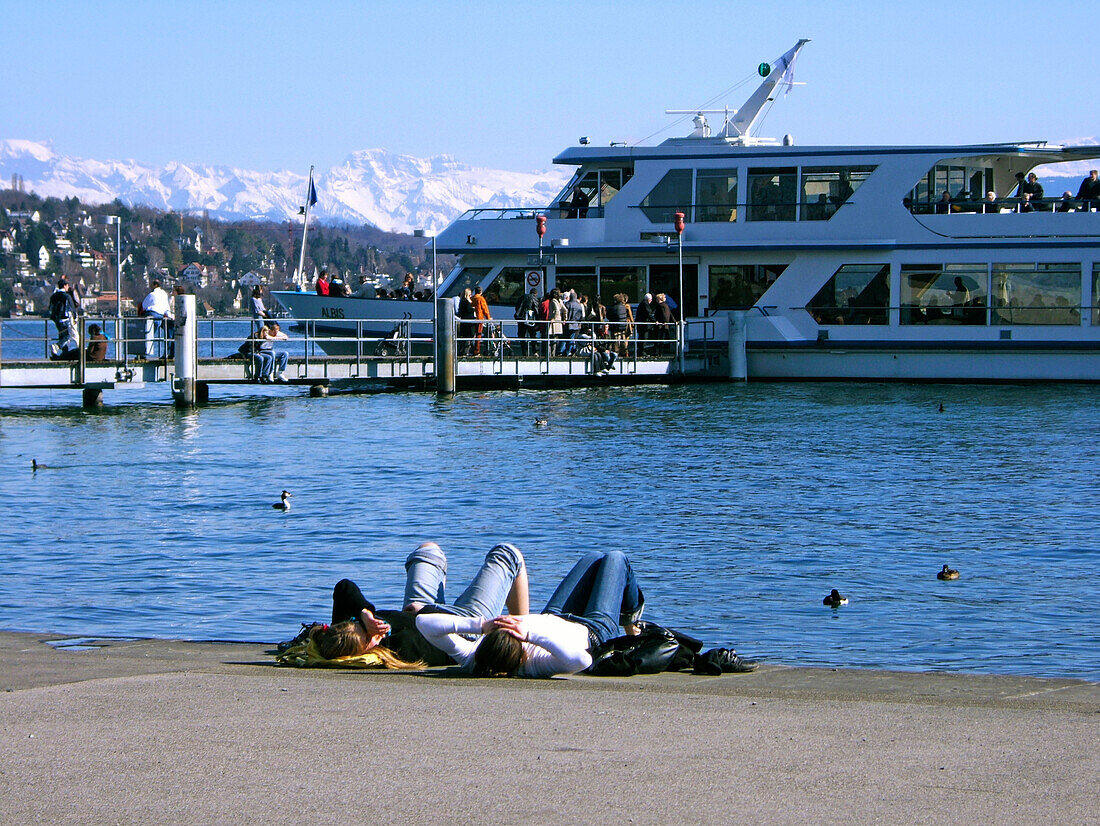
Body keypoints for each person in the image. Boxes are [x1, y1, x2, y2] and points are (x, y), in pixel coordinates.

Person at [286, 541, 529, 668]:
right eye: (371, 639)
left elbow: (344, 587)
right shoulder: (401, 652)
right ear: (363, 652)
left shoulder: (347, 632)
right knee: (507, 554)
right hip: (465, 625)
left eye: (358, 625)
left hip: (423, 608)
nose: (376, 634)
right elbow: (432, 628)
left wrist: (365, 615)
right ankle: (523, 641)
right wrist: (424, 611)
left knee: (427, 550)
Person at [416, 550, 645, 678]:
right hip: (593, 628)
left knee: (593, 557)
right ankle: (630, 620)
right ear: (522, 657)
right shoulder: (536, 665)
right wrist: (530, 635)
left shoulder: (473, 658)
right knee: (616, 558)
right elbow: (582, 660)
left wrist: (480, 626)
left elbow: (423, 622)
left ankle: (629, 618)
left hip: (554, 614)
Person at [48, 278, 80, 359]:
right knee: (68, 336)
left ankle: (63, 354)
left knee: (62, 336)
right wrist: (75, 318)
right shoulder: (66, 296)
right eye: (67, 285)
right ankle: (56, 346)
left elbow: (50, 308)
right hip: (65, 319)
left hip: (57, 320)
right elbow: (72, 308)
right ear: (65, 286)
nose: (68, 287)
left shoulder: (53, 296)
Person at [141, 279, 173, 357]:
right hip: (160, 315)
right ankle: (168, 353)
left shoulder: (152, 294)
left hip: (151, 314)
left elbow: (144, 305)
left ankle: (143, 354)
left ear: (155, 285)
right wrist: (170, 316)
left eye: (151, 285)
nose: (150, 286)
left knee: (146, 334)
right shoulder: (164, 294)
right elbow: (166, 307)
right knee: (166, 332)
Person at [514, 287, 540, 356]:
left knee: (522, 336)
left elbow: (517, 307)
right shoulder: (534, 298)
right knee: (532, 335)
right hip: (529, 319)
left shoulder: (521, 297)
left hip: (520, 319)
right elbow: (536, 310)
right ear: (536, 294)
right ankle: (535, 351)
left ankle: (524, 352)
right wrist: (538, 321)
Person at [457, 287, 477, 356]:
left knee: (465, 337)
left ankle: (463, 351)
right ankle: (465, 351)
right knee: (469, 336)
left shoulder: (461, 301)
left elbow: (460, 312)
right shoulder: (466, 302)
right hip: (469, 323)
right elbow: (468, 310)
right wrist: (473, 308)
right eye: (470, 295)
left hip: (464, 322)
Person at [472, 285, 491, 356]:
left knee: (471, 335)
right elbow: (485, 309)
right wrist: (488, 318)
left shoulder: (472, 298)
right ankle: (477, 351)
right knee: (478, 334)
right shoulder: (481, 298)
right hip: (479, 318)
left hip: (472, 318)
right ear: (481, 292)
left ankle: (469, 349)